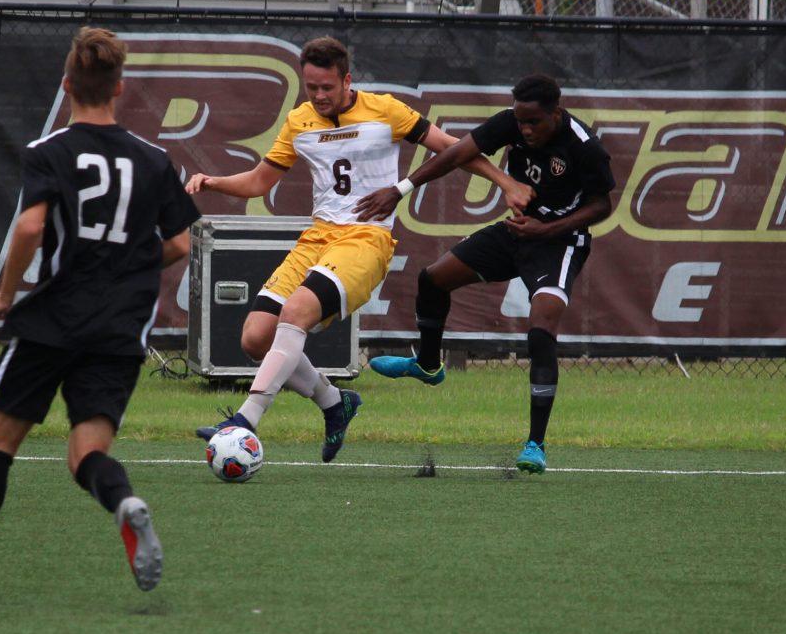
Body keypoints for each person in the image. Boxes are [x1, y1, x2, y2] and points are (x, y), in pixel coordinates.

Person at [0, 27, 201, 603]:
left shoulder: (49, 152)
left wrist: (4, 292)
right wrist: (127, 261)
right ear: (119, 87)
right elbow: (181, 245)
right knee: (86, 453)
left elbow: (30, 226)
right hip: (119, 327)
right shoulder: (153, 159)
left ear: (68, 83)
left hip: (54, 318)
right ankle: (123, 500)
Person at [185, 37, 531, 457]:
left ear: (347, 80)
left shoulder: (386, 110)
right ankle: (336, 403)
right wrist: (213, 180)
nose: (318, 95)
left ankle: (243, 421)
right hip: (317, 239)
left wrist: (507, 183)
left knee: (294, 312)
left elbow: (454, 149)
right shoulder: (300, 121)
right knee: (256, 339)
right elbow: (260, 181)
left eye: (327, 87)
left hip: (366, 240)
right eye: (310, 87)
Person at [355, 74, 614, 475]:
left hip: (560, 242)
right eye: (520, 121)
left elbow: (602, 206)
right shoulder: (511, 121)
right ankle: (427, 363)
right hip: (517, 232)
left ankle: (536, 443)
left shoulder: (583, 146)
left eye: (534, 123)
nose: (524, 130)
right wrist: (400, 189)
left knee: (541, 326)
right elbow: (456, 154)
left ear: (556, 114)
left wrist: (546, 230)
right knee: (433, 278)